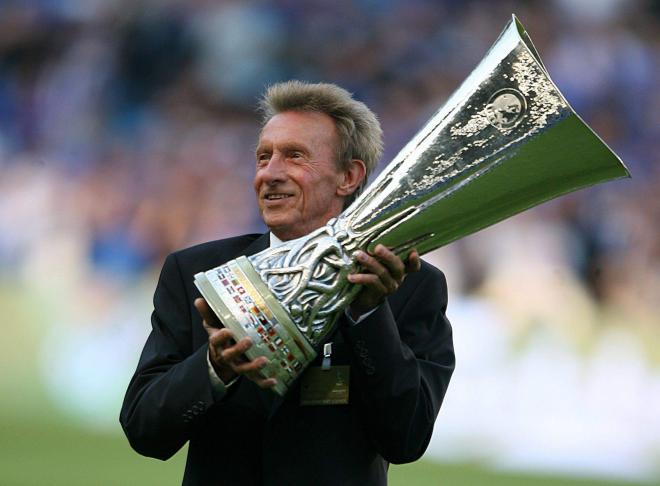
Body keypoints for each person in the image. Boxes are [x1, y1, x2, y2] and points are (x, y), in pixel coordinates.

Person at [120, 81, 455, 486]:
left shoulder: (409, 283)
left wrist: (368, 313)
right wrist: (212, 368)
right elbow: (143, 430)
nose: (270, 174)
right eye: (264, 157)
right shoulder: (196, 272)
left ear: (348, 176)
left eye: (295, 156)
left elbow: (407, 439)